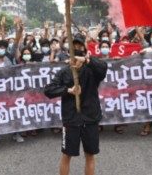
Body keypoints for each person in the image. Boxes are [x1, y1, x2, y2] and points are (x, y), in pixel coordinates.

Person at [44, 33, 107, 175]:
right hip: (71, 119)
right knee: (67, 155)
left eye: (80, 46)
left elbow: (103, 68)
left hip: (90, 117)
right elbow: (48, 90)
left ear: (84, 49)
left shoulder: (92, 69)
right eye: (75, 46)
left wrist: (86, 60)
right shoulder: (64, 72)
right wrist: (68, 90)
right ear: (69, 51)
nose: (77, 48)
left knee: (90, 155)